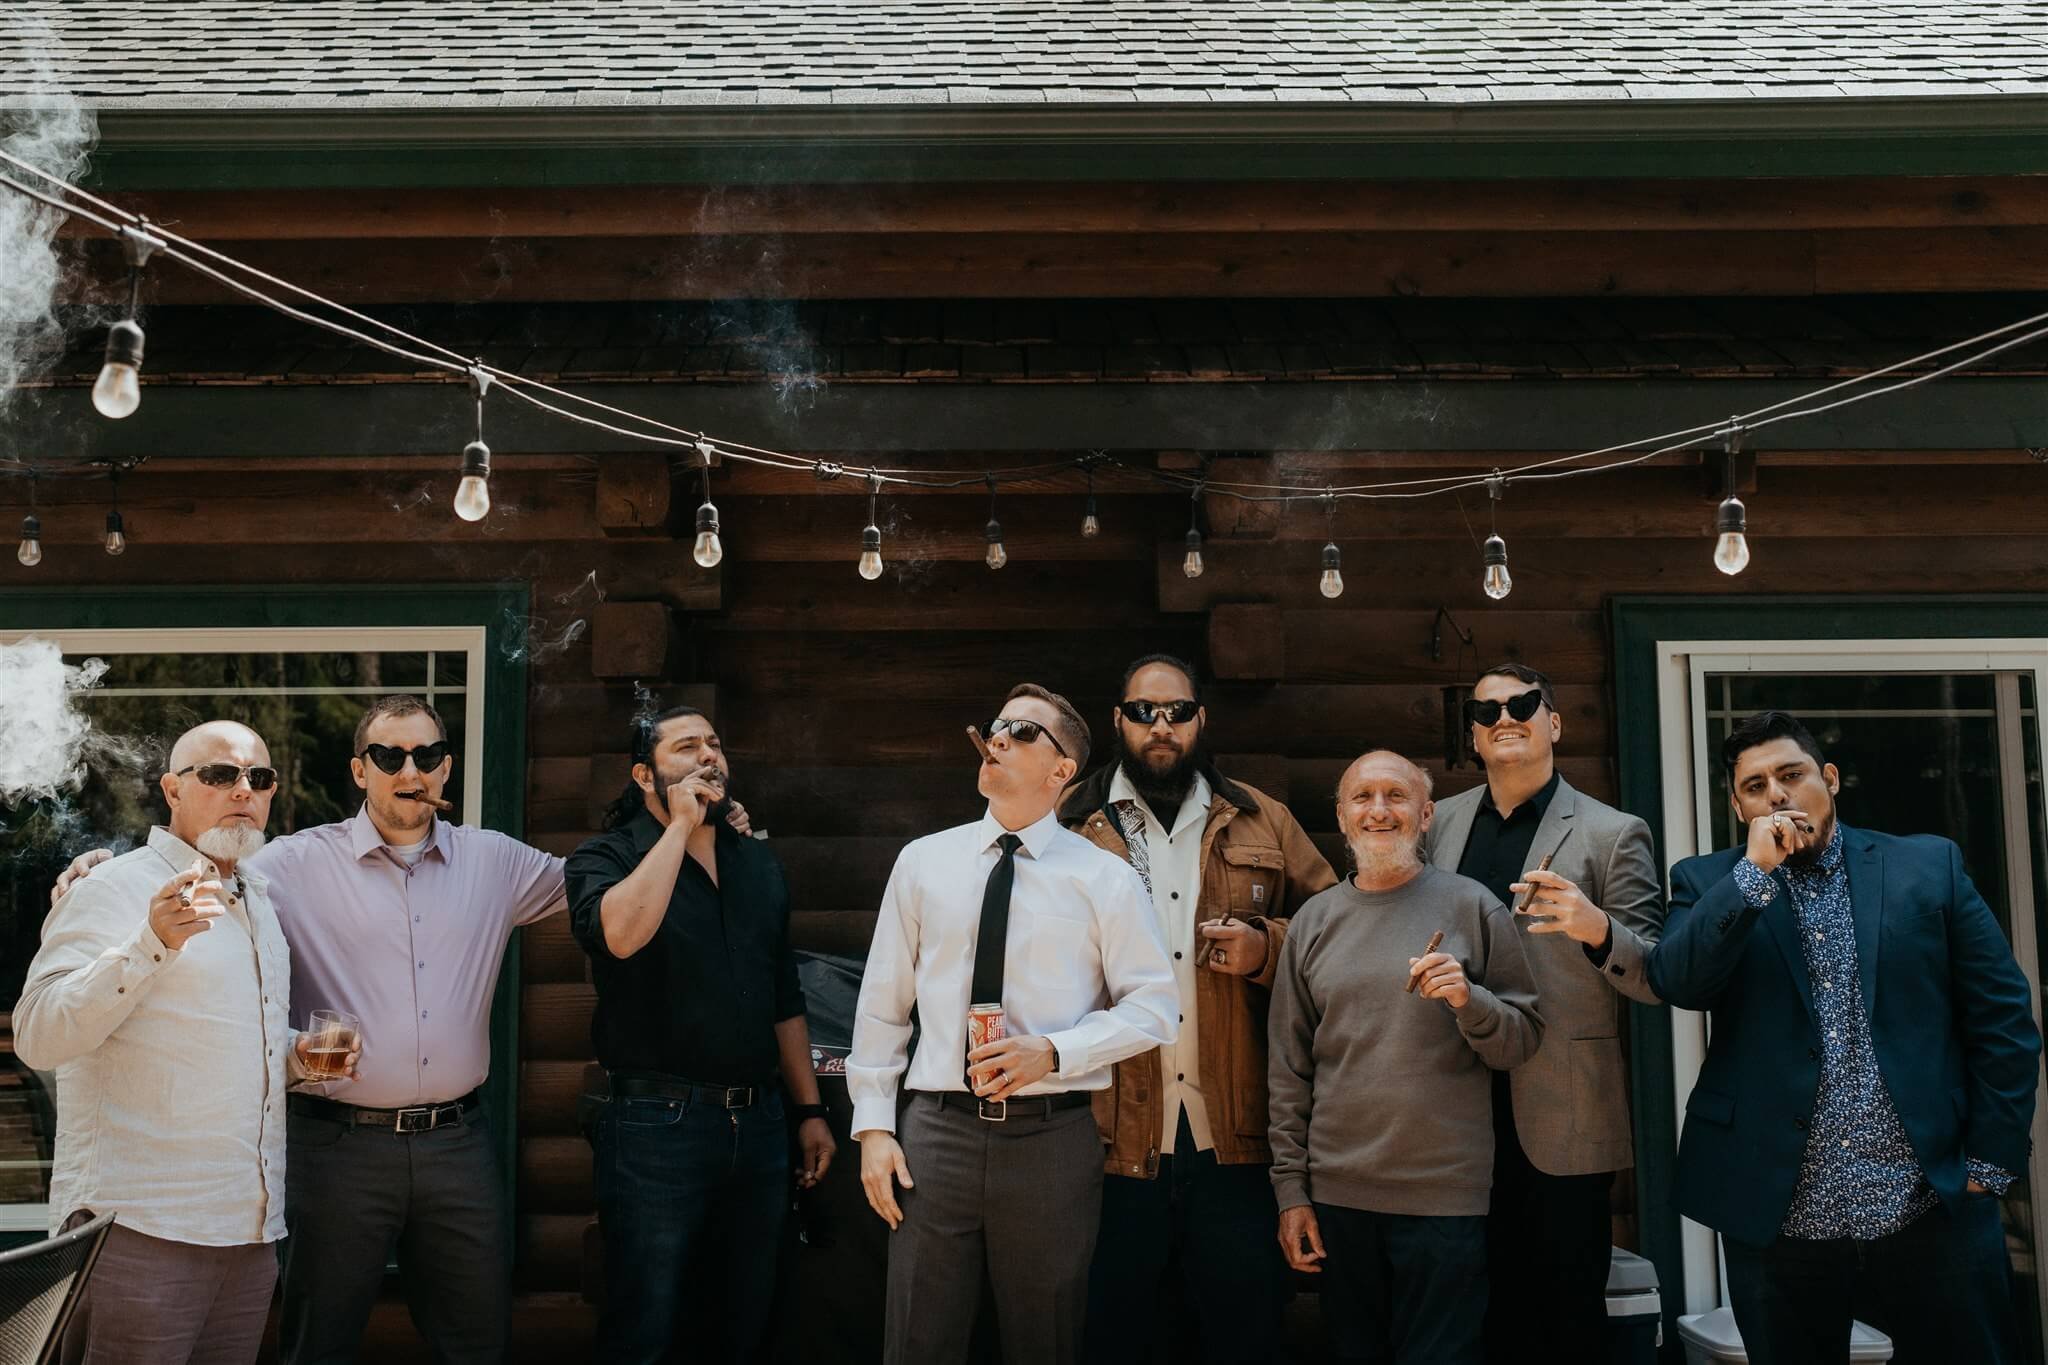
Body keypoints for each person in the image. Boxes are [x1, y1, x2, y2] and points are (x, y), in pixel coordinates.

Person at [1650, 710, 2041, 1365]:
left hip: (1928, 1205)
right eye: (1754, 785)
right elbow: (1680, 979)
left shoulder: (1927, 865)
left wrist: (1990, 1162)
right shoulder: (1707, 880)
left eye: (1791, 774)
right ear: (1737, 804)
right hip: (1780, 1222)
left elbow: (2002, 1015)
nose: (1775, 792)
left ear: (1828, 778)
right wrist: (1752, 877)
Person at [849, 683, 1178, 1365]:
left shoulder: (1103, 878)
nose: (996, 738)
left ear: (1064, 770)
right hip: (934, 1134)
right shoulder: (923, 861)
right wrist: (876, 1127)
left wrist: (1054, 1052)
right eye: (996, 725)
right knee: (917, 1337)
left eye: (1022, 732)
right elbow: (883, 1003)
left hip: (1052, 1139)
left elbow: (1155, 1005)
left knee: (1045, 1339)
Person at [16, 720, 346, 1365]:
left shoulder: (261, 903)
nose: (242, 790)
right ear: (173, 788)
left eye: (260, 778)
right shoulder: (113, 887)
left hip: (248, 1233)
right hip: (141, 1226)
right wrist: (152, 945)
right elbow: (38, 1034)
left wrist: (296, 1062)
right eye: (221, 775)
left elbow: (220, 1043)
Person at [1060, 653, 1335, 1364]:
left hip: (1235, 1133)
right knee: (1116, 1333)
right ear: (1117, 719)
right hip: (1111, 1137)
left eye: (1178, 711)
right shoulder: (1069, 825)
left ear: (1200, 720)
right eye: (1145, 710)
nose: (1162, 725)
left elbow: (1334, 925)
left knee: (1245, 1332)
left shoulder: (1259, 816)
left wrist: (1265, 945)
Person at [565, 704, 835, 1363]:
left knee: (742, 1323)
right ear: (643, 774)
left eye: (715, 741)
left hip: (761, 1125)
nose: (709, 754)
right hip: (655, 1127)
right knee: (645, 1327)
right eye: (686, 746)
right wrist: (681, 824)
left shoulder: (757, 864)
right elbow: (621, 934)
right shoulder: (604, 856)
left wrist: (808, 1111)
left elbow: (783, 996)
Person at [1420, 662, 1664, 1362]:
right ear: (1473, 734)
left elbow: (1652, 973)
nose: (1505, 716)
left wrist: (1594, 927)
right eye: (1486, 708)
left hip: (1560, 1109)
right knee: (1472, 1310)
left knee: (1564, 1320)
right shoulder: (1442, 824)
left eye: (1523, 703)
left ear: (1553, 722)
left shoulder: (1614, 832)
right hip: (1455, 1107)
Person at [1268, 750, 1542, 1365]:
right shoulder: (1313, 921)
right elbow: (1288, 1070)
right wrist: (1292, 1193)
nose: (1379, 810)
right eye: (1363, 798)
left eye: (1396, 796)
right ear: (1341, 817)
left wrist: (1469, 1000)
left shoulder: (1474, 906)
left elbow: (1521, 1040)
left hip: (1444, 1196)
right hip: (1339, 1195)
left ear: (1426, 816)